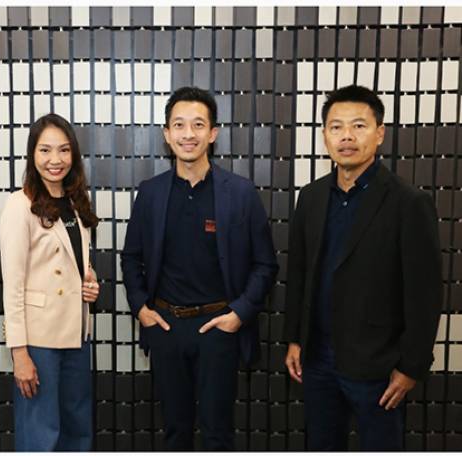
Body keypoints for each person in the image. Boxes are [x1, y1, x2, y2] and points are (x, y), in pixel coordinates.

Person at [283, 85, 442, 450]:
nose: (347, 137)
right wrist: (294, 338)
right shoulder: (311, 197)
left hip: (379, 365)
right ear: (325, 135)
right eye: (336, 127)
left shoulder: (409, 202)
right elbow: (299, 274)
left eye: (358, 126)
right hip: (317, 360)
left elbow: (425, 294)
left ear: (379, 133)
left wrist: (411, 366)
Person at [120, 86, 278, 450]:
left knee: (217, 433)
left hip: (218, 328)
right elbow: (131, 258)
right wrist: (141, 308)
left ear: (213, 133)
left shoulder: (240, 193)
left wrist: (238, 315)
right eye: (179, 125)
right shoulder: (151, 192)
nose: (187, 134)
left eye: (197, 125)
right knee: (174, 432)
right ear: (166, 133)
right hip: (166, 327)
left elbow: (265, 264)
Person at [0, 113, 100, 451]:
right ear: (32, 154)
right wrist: (19, 353)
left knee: (77, 430)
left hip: (76, 335)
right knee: (41, 436)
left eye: (63, 150)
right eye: (45, 150)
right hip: (39, 341)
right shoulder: (20, 205)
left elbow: (75, 262)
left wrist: (90, 282)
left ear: (74, 155)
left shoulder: (75, 202)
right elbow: (12, 286)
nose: (55, 160)